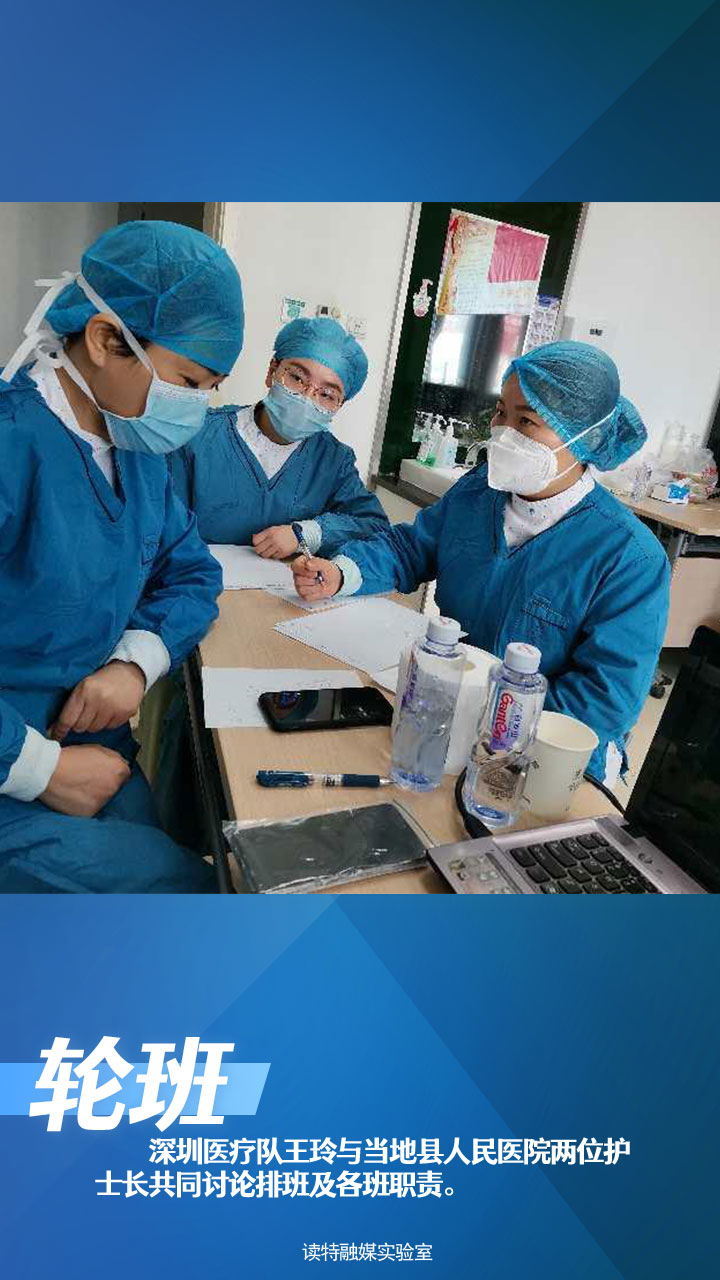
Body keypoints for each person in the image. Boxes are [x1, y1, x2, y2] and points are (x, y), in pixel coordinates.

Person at [292, 341, 671, 784]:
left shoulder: (629, 557)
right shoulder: (478, 492)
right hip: (447, 720)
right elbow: (413, 548)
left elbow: (605, 700)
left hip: (544, 761)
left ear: (582, 436)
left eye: (526, 421)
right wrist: (342, 572)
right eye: (500, 413)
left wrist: (489, 722)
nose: (503, 433)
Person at [0, 220, 245, 892]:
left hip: (95, 743)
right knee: (187, 891)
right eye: (188, 381)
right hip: (15, 765)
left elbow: (192, 572)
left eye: (211, 388)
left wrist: (135, 664)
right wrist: (37, 769)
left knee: (194, 861)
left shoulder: (134, 453)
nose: (197, 407)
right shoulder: (13, 446)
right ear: (107, 339)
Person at [169, 316, 389, 557]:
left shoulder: (333, 461)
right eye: (297, 378)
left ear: (338, 407)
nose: (306, 398)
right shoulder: (199, 436)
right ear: (271, 371)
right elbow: (160, 526)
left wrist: (310, 533)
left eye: (327, 395)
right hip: (196, 574)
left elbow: (373, 525)